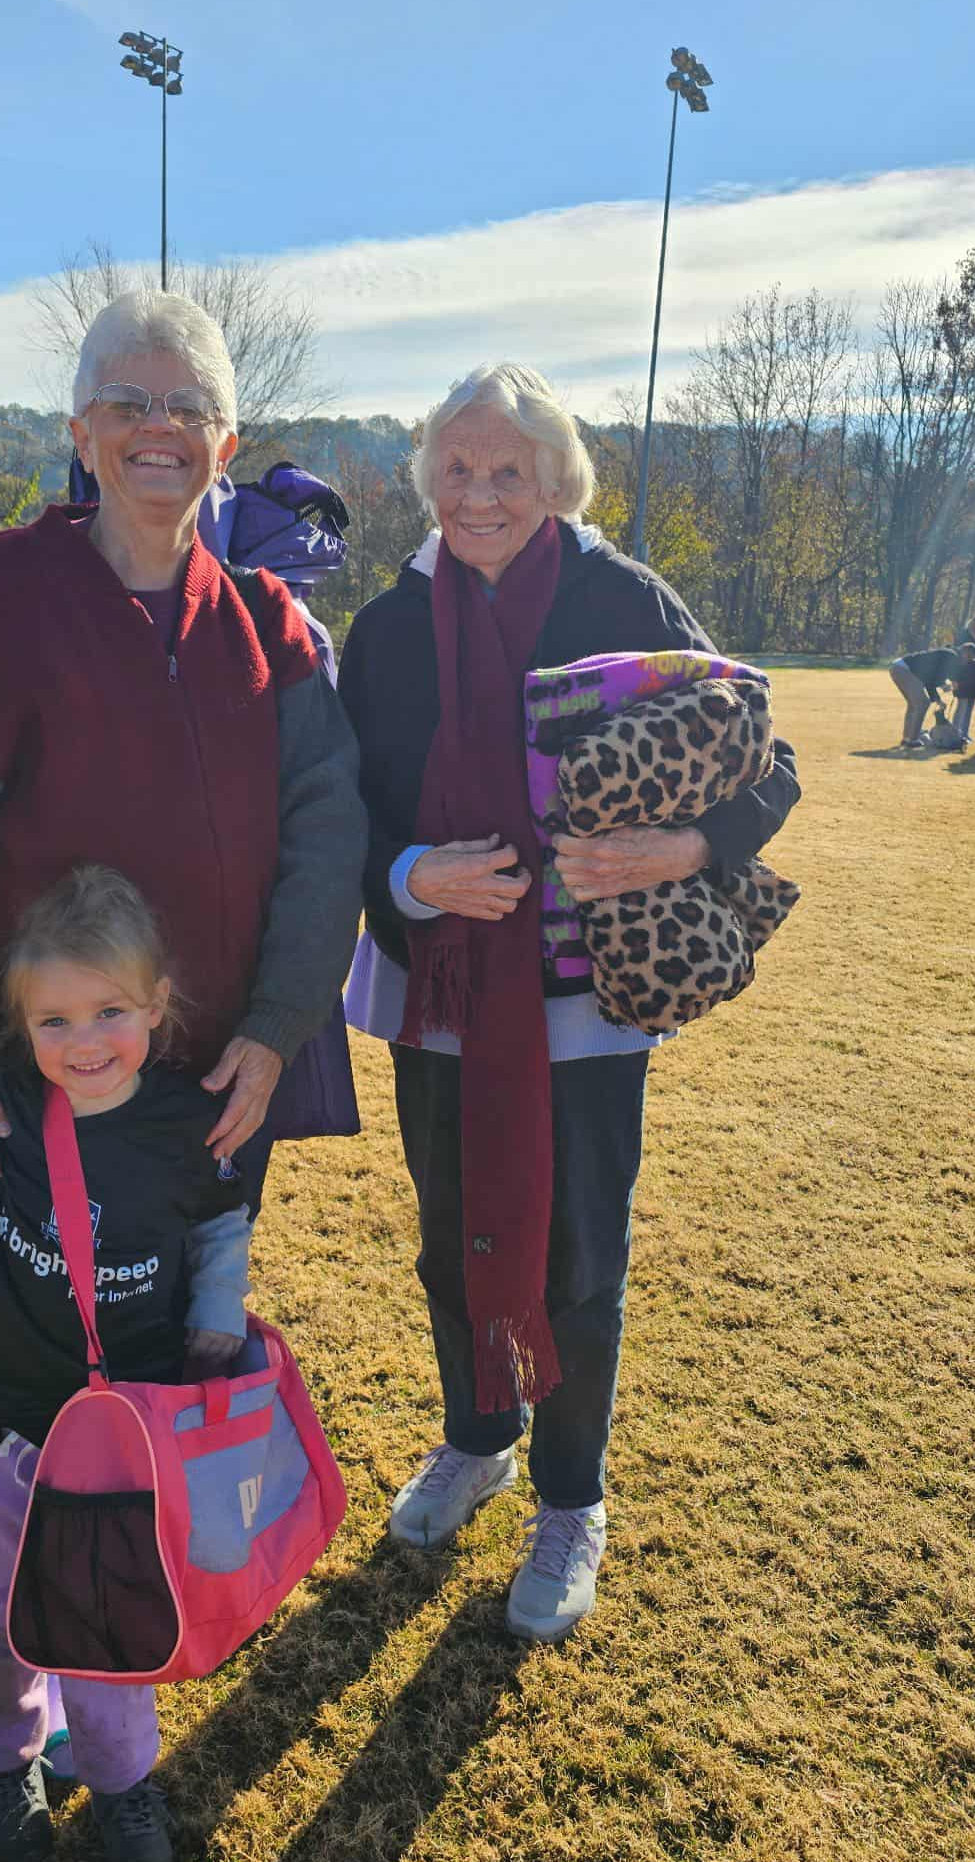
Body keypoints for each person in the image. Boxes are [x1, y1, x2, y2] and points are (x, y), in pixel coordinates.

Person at [0, 290, 365, 1758]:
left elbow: (329, 838)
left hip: (209, 1099)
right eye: (126, 403)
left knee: (153, 1372)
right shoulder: (1, 594)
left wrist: (272, 1026)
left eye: (186, 405)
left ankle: (118, 1622)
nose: (156, 430)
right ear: (78, 431)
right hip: (38, 1086)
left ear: (227, 441)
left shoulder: (269, 628)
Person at [338, 363, 800, 1643]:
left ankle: (568, 1495)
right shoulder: (384, 630)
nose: (479, 495)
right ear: (425, 474)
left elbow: (771, 757)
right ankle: (479, 1436)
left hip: (583, 998)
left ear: (556, 480)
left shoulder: (621, 597)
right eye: (458, 467)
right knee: (451, 1232)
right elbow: (341, 808)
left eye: (510, 471)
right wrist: (409, 874)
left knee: (579, 1248)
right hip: (437, 989)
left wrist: (685, 848)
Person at [0, 866, 247, 1862]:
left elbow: (222, 1224)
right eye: (53, 1018)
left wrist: (216, 1325)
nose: (83, 1041)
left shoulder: (186, 1123)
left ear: (156, 1005)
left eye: (109, 1010)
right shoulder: (8, 1118)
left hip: (116, 1436)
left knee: (104, 1616)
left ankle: (121, 1778)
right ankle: (2, 1762)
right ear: (21, 1021)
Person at [888, 645, 960, 748]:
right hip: (903, 669)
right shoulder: (952, 657)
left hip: (897, 666)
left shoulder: (947, 655)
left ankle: (907, 738)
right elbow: (931, 681)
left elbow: (933, 679)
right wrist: (940, 696)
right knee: (922, 704)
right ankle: (913, 740)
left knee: (913, 705)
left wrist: (941, 692)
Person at [950, 641, 975, 747]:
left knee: (968, 712)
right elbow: (954, 678)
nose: (963, 654)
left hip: (973, 692)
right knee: (960, 711)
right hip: (963, 692)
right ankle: (955, 734)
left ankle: (964, 734)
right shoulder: (960, 665)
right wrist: (955, 686)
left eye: (965, 652)